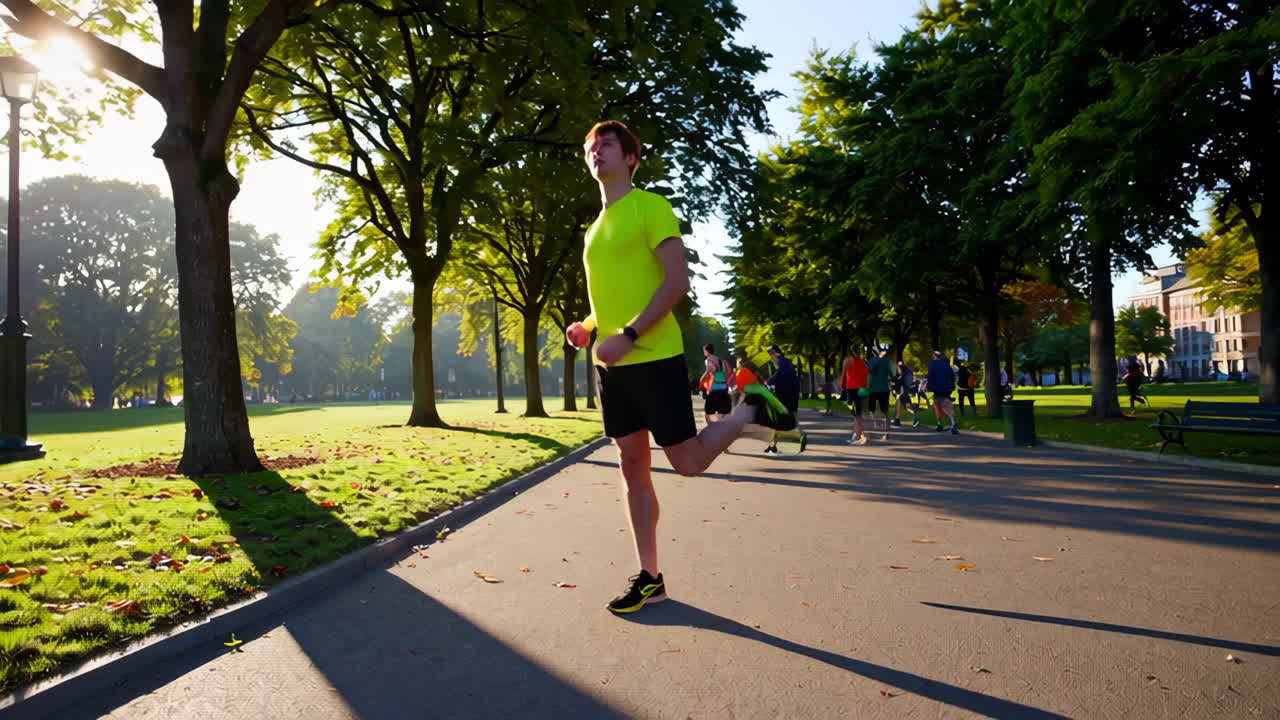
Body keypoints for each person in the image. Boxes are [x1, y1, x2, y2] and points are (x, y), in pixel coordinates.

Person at [564, 121, 805, 615]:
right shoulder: (593, 229)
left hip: (653, 356)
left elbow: (676, 282)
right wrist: (589, 327)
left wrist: (628, 335)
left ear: (631, 157)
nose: (595, 153)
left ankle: (748, 413)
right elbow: (614, 295)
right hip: (614, 368)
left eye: (606, 145)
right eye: (590, 147)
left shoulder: (651, 207)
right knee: (633, 467)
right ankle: (650, 577)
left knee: (687, 463)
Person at [763, 345, 802, 454]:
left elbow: (779, 376)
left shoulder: (782, 363)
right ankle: (774, 445)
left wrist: (768, 382)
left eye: (771, 355)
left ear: (775, 353)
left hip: (786, 395)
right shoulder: (785, 362)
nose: (770, 357)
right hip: (790, 395)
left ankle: (776, 445)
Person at [840, 347, 870, 445]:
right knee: (858, 412)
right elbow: (868, 375)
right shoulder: (864, 362)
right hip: (863, 389)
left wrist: (841, 386)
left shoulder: (847, 360)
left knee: (856, 413)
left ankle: (858, 435)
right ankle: (859, 434)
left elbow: (843, 373)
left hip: (853, 388)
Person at [699, 344, 734, 423]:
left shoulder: (708, 360)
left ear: (706, 351)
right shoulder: (722, 361)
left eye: (704, 351)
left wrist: (701, 380)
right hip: (724, 389)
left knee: (709, 412)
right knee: (723, 413)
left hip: (714, 389)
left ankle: (711, 429)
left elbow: (710, 370)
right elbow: (729, 373)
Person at [927, 350, 959, 434]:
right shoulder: (946, 364)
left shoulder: (933, 364)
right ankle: (952, 422)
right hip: (946, 388)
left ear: (934, 356)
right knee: (946, 403)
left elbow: (931, 375)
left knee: (937, 405)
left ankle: (940, 424)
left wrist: (929, 387)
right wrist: (951, 386)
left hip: (937, 388)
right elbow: (951, 375)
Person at [866, 346, 893, 440]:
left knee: (871, 410)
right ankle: (887, 432)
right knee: (885, 411)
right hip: (884, 389)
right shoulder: (887, 361)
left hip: (873, 389)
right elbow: (892, 375)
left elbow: (868, 373)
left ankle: (872, 429)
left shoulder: (871, 361)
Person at [892, 360, 921, 427]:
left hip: (907, 392)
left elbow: (898, 383)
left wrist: (894, 386)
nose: (897, 370)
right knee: (899, 402)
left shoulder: (904, 375)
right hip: (910, 392)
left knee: (907, 407)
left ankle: (916, 416)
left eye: (898, 368)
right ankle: (897, 420)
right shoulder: (908, 372)